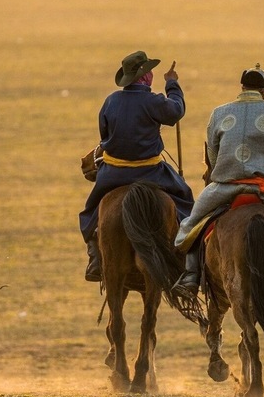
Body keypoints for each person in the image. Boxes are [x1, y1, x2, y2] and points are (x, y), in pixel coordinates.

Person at [172, 63, 264, 298]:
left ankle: (190, 276)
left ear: (242, 87)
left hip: (225, 188)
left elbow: (213, 156)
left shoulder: (219, 113)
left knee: (193, 224)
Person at [79, 51, 194, 281]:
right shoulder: (153, 101)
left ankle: (95, 258)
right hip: (151, 172)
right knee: (185, 200)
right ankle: (185, 260)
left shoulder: (111, 101)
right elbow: (176, 112)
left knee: (90, 212)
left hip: (114, 173)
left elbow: (105, 135)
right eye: (148, 71)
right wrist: (172, 83)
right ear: (144, 77)